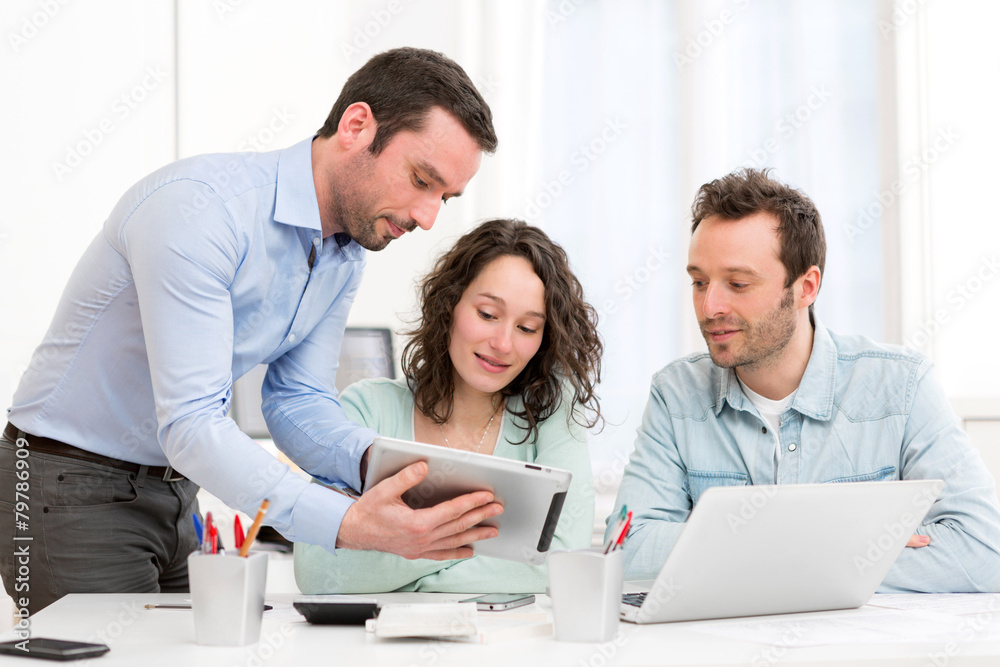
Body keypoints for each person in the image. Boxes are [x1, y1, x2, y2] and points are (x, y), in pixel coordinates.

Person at [1, 47, 500, 614]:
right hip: (65, 483)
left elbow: (296, 399)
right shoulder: (201, 210)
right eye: (421, 180)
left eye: (445, 197)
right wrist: (348, 522)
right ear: (357, 126)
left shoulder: (345, 254)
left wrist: (398, 472)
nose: (429, 216)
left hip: (174, 491)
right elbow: (191, 421)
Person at [610, 168, 1000, 593]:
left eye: (738, 283)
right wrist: (838, 545)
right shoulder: (676, 395)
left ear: (806, 287)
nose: (710, 305)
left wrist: (738, 554)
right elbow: (628, 552)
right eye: (699, 282)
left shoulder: (902, 386)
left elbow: (982, 552)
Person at [295, 219, 603, 593]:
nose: (503, 343)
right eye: (488, 315)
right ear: (449, 304)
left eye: (527, 328)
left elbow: (564, 563)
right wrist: (497, 557)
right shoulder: (367, 409)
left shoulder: (552, 409)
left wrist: (406, 566)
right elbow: (315, 569)